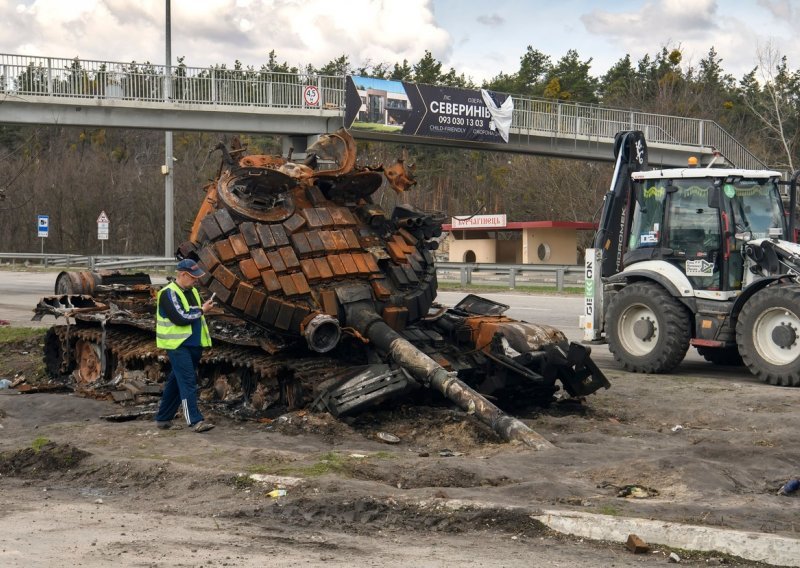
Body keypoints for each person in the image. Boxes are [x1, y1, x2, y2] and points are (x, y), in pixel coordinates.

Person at [154, 259, 215, 432]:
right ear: (182, 274)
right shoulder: (168, 293)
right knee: (188, 381)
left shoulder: (193, 290)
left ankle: (163, 419)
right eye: (193, 277)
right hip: (177, 345)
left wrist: (203, 309)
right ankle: (195, 421)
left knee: (176, 381)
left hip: (193, 345)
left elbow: (194, 314)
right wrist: (203, 310)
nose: (196, 280)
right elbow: (180, 318)